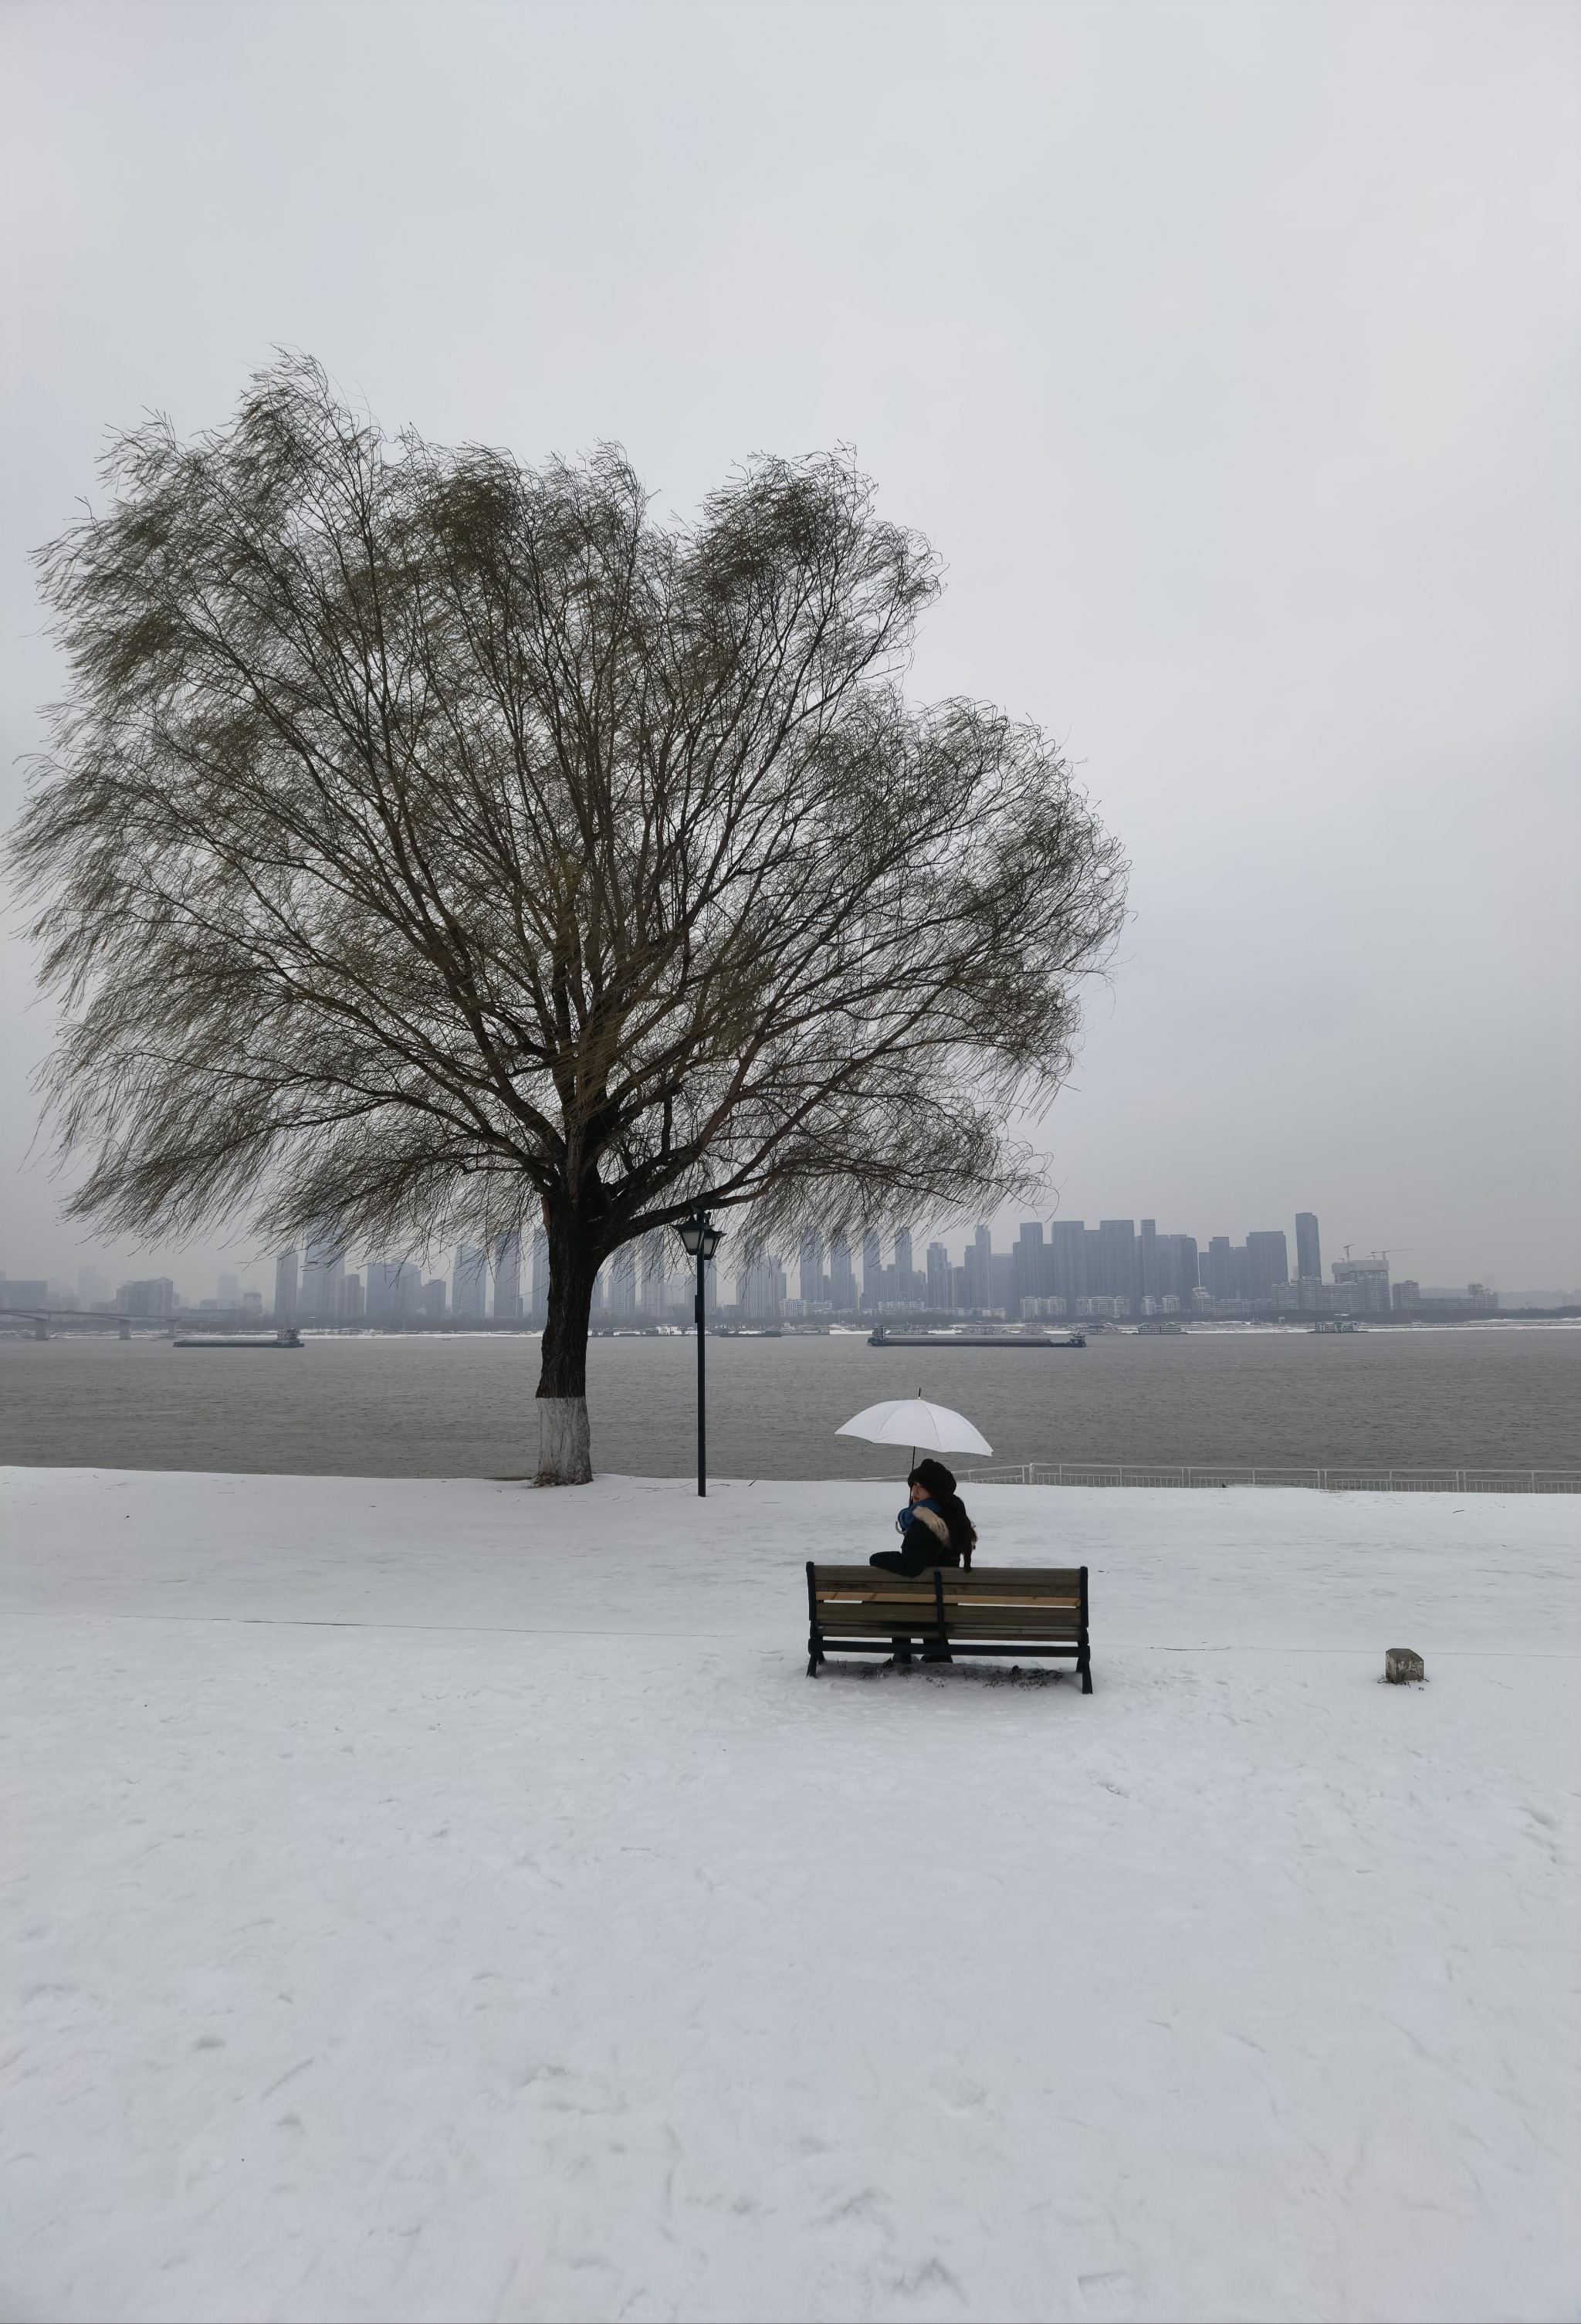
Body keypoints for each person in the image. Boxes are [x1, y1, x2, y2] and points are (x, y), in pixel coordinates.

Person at [869, 1456, 977, 1577]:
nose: (915, 1491)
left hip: (929, 1592)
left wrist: (875, 1559)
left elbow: (911, 1566)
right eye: (914, 1484)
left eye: (922, 1486)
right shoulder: (951, 1518)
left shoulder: (927, 1523)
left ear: (935, 1491)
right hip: (945, 1590)